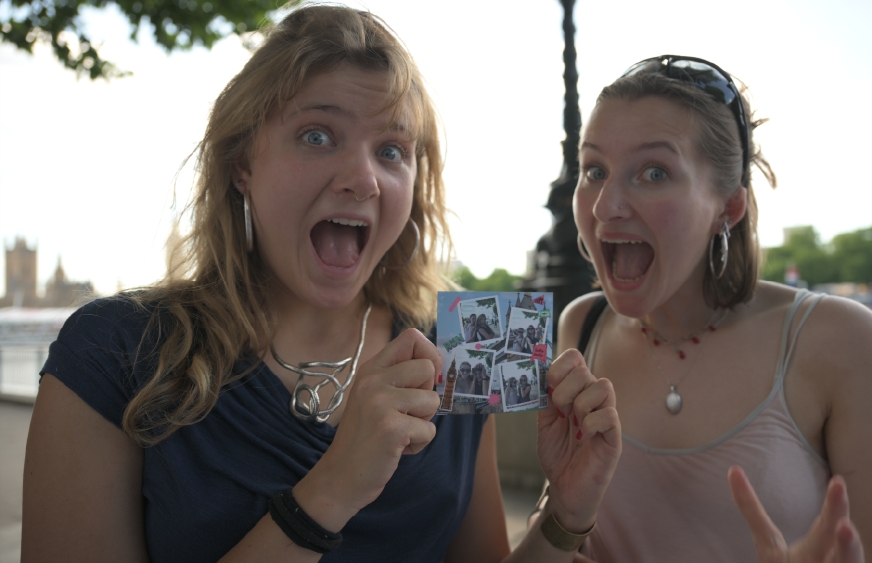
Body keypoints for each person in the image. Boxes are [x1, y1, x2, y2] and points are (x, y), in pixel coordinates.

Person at [21, 7, 621, 562]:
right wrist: (334, 487)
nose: (363, 178)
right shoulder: (113, 350)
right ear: (242, 163)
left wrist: (565, 515)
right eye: (317, 135)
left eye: (392, 150)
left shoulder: (475, 340)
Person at [551, 54, 872, 562]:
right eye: (595, 170)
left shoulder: (840, 339)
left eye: (654, 172)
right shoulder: (581, 327)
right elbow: (565, 522)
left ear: (728, 208)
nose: (605, 205)